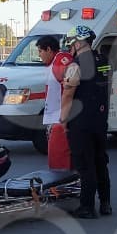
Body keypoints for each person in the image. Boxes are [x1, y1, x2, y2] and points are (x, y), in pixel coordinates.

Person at [60, 25, 111, 218]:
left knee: (85, 165)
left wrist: (63, 120)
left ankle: (87, 207)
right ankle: (106, 204)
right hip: (100, 119)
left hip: (81, 122)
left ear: (80, 42)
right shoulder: (103, 60)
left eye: (72, 42)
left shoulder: (75, 65)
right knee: (100, 162)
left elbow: (68, 94)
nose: (70, 47)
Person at [37, 34, 74, 171]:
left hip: (60, 120)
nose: (39, 55)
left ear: (48, 49)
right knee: (56, 159)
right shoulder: (53, 63)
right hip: (56, 119)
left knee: (59, 160)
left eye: (40, 51)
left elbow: (69, 91)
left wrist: (62, 120)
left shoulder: (60, 62)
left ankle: (62, 189)